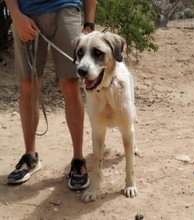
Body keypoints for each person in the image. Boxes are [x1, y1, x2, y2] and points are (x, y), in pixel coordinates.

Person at [5, 0, 96, 190]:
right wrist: (14, 13)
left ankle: (78, 160)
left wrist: (89, 24)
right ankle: (30, 157)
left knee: (70, 84)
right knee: (29, 85)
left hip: (66, 9)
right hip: (26, 13)